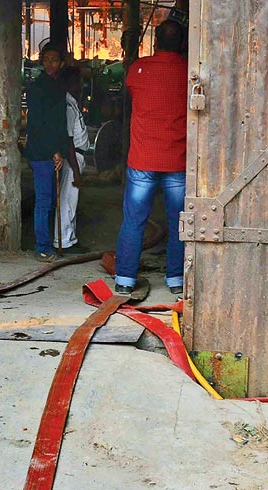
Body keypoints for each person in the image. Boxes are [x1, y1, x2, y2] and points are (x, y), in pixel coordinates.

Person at [114, 20, 187, 299]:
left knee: (134, 221)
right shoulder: (189, 70)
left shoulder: (138, 69)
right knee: (179, 222)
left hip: (142, 159)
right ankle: (176, 278)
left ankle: (125, 279)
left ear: (155, 41)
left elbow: (130, 88)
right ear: (182, 43)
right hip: (177, 160)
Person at [24, 44, 67, 262]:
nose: (50, 63)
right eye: (47, 59)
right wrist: (54, 151)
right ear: (41, 61)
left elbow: (58, 123)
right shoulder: (38, 88)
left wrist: (60, 150)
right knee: (43, 201)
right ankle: (42, 247)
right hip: (42, 151)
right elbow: (39, 124)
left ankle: (47, 244)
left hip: (50, 151)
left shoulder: (56, 87)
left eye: (54, 60)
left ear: (61, 64)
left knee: (49, 201)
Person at [54, 66, 90, 254]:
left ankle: (70, 238)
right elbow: (69, 140)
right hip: (72, 157)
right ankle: (64, 241)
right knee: (67, 200)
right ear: (71, 83)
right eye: (78, 82)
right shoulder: (68, 106)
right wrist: (75, 170)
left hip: (77, 156)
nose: (81, 85)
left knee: (72, 201)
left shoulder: (73, 103)